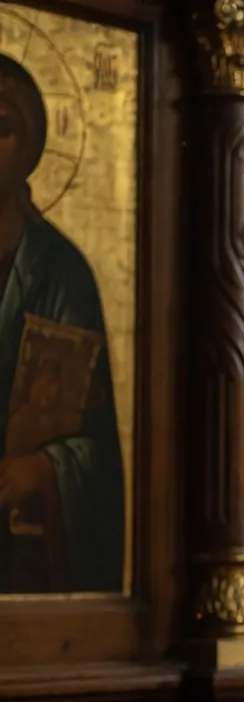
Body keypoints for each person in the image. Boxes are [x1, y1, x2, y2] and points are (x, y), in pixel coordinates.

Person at [0, 53, 123, 593]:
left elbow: (95, 445)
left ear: (27, 147)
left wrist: (41, 469)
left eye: (0, 129)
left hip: (17, 549)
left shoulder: (61, 273)